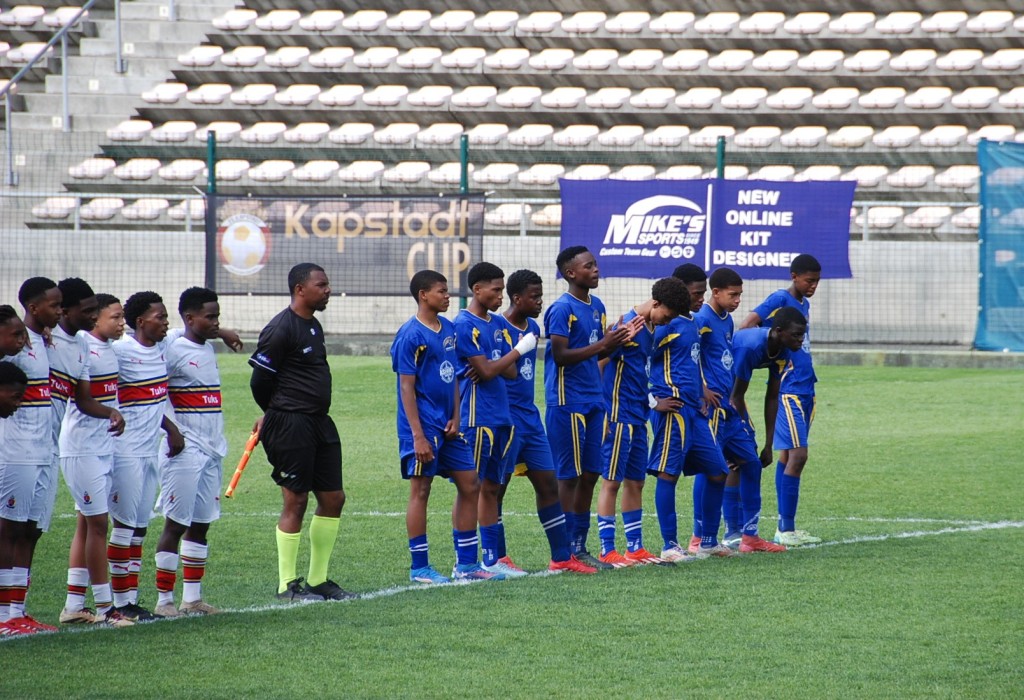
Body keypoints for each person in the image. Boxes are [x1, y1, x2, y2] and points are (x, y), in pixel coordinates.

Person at [250, 263, 353, 601]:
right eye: (321, 285)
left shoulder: (313, 325)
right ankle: (286, 585)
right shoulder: (281, 328)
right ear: (300, 289)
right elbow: (260, 380)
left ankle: (318, 580)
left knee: (333, 498)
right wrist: (273, 413)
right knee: (296, 499)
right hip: (291, 424)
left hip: (319, 422)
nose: (328, 290)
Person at [393, 270, 503, 584]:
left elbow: (455, 376)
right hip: (423, 427)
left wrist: (456, 416)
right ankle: (420, 568)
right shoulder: (410, 334)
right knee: (421, 489)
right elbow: (406, 388)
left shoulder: (450, 330)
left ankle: (467, 565)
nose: (447, 296)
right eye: (441, 291)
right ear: (423, 295)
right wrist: (417, 435)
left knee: (471, 484)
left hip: (450, 425)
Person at [496, 270, 596, 575]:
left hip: (531, 418)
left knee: (548, 484)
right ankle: (497, 558)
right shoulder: (497, 328)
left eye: (540, 295)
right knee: (496, 489)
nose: (540, 302)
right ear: (517, 298)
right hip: (505, 417)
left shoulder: (534, 326)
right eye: (534, 297)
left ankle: (562, 557)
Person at [544, 246, 638, 569]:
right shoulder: (561, 309)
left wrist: (618, 339)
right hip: (567, 401)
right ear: (571, 273)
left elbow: (598, 352)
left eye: (595, 264)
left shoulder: (596, 307)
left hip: (594, 402)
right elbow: (560, 355)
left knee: (591, 473)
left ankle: (578, 545)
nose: (596, 269)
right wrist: (603, 345)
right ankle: (562, 554)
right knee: (568, 476)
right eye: (589, 266)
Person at [695, 269, 792, 554]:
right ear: (715, 292)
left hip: (727, 406)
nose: (738, 300)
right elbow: (691, 356)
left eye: (740, 295)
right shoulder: (702, 318)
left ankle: (749, 536)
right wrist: (701, 389)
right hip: (710, 408)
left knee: (749, 463)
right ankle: (698, 536)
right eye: (732, 294)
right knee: (710, 467)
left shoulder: (726, 321)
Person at [595, 277, 690, 568]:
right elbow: (599, 362)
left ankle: (635, 547)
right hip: (619, 415)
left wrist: (650, 403)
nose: (667, 322)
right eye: (667, 315)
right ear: (656, 303)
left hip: (638, 415)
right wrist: (603, 412)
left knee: (636, 482)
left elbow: (640, 372)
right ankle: (607, 549)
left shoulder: (650, 328)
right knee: (611, 482)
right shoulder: (626, 325)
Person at [454, 262, 537, 578]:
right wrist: (517, 350)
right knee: (470, 488)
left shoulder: (496, 326)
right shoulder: (465, 324)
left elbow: (508, 372)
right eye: (496, 289)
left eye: (503, 289)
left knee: (491, 488)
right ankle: (465, 563)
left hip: (502, 417)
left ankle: (491, 560)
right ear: (477, 289)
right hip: (477, 418)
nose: (502, 296)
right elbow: (490, 371)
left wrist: (498, 361)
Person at [648, 264, 735, 561]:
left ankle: (708, 541)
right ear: (679, 291)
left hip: (694, 412)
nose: (701, 299)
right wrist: (651, 401)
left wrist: (703, 389)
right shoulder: (664, 325)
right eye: (696, 294)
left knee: (718, 470)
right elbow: (634, 362)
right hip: (671, 409)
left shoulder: (693, 322)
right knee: (668, 474)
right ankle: (669, 545)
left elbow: (692, 361)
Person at [154, 287, 230, 616]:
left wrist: (220, 331)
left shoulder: (207, 347)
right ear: (189, 318)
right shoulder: (171, 348)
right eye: (210, 317)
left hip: (212, 450)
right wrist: (172, 432)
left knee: (201, 524)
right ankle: (164, 601)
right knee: (175, 524)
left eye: (218, 316)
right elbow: (151, 394)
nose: (216, 322)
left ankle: (192, 599)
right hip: (184, 450)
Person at [58, 293, 133, 627]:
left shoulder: (110, 348)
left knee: (86, 524)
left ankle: (74, 604)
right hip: (82, 448)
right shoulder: (84, 347)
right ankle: (105, 607)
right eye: (115, 317)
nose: (121, 323)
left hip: (102, 446)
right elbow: (83, 400)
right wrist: (111, 412)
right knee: (99, 524)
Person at [738, 254, 823, 547]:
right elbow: (749, 324)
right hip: (789, 388)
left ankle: (786, 527)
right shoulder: (779, 298)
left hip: (806, 387)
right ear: (794, 275)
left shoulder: (804, 305)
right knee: (798, 456)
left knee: (788, 456)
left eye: (816, 281)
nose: (813, 286)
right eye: (809, 280)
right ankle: (784, 529)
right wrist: (765, 359)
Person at [110, 292, 185, 621]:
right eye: (161, 317)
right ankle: (118, 602)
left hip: (149, 453)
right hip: (123, 452)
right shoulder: (121, 351)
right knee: (123, 528)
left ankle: (131, 600)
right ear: (140, 322)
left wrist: (170, 428)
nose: (166, 322)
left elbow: (153, 402)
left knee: (139, 528)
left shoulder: (161, 348)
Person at [0, 278, 62, 634]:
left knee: (30, 532)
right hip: (15, 453)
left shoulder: (40, 340)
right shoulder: (14, 343)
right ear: (34, 307)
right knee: (8, 530)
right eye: (53, 305)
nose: (58, 310)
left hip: (44, 452)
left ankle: (17, 612)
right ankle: (4, 616)